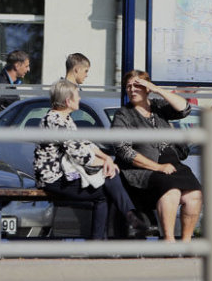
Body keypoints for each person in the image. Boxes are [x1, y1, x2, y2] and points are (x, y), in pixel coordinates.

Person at [34, 79, 149, 239]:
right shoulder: (55, 121)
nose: (80, 99)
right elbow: (80, 154)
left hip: (68, 175)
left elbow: (84, 143)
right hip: (54, 179)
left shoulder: (64, 118)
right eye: (77, 96)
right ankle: (127, 217)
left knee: (108, 185)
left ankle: (118, 226)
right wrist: (105, 164)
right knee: (105, 191)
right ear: (68, 101)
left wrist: (107, 158)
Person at [112, 70, 203, 242]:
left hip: (172, 163)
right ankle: (169, 241)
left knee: (194, 194)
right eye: (128, 87)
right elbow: (124, 150)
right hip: (144, 169)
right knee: (172, 191)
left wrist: (158, 89)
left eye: (137, 85)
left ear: (147, 88)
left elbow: (185, 109)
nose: (132, 90)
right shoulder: (124, 115)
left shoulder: (158, 107)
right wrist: (158, 167)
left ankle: (186, 242)